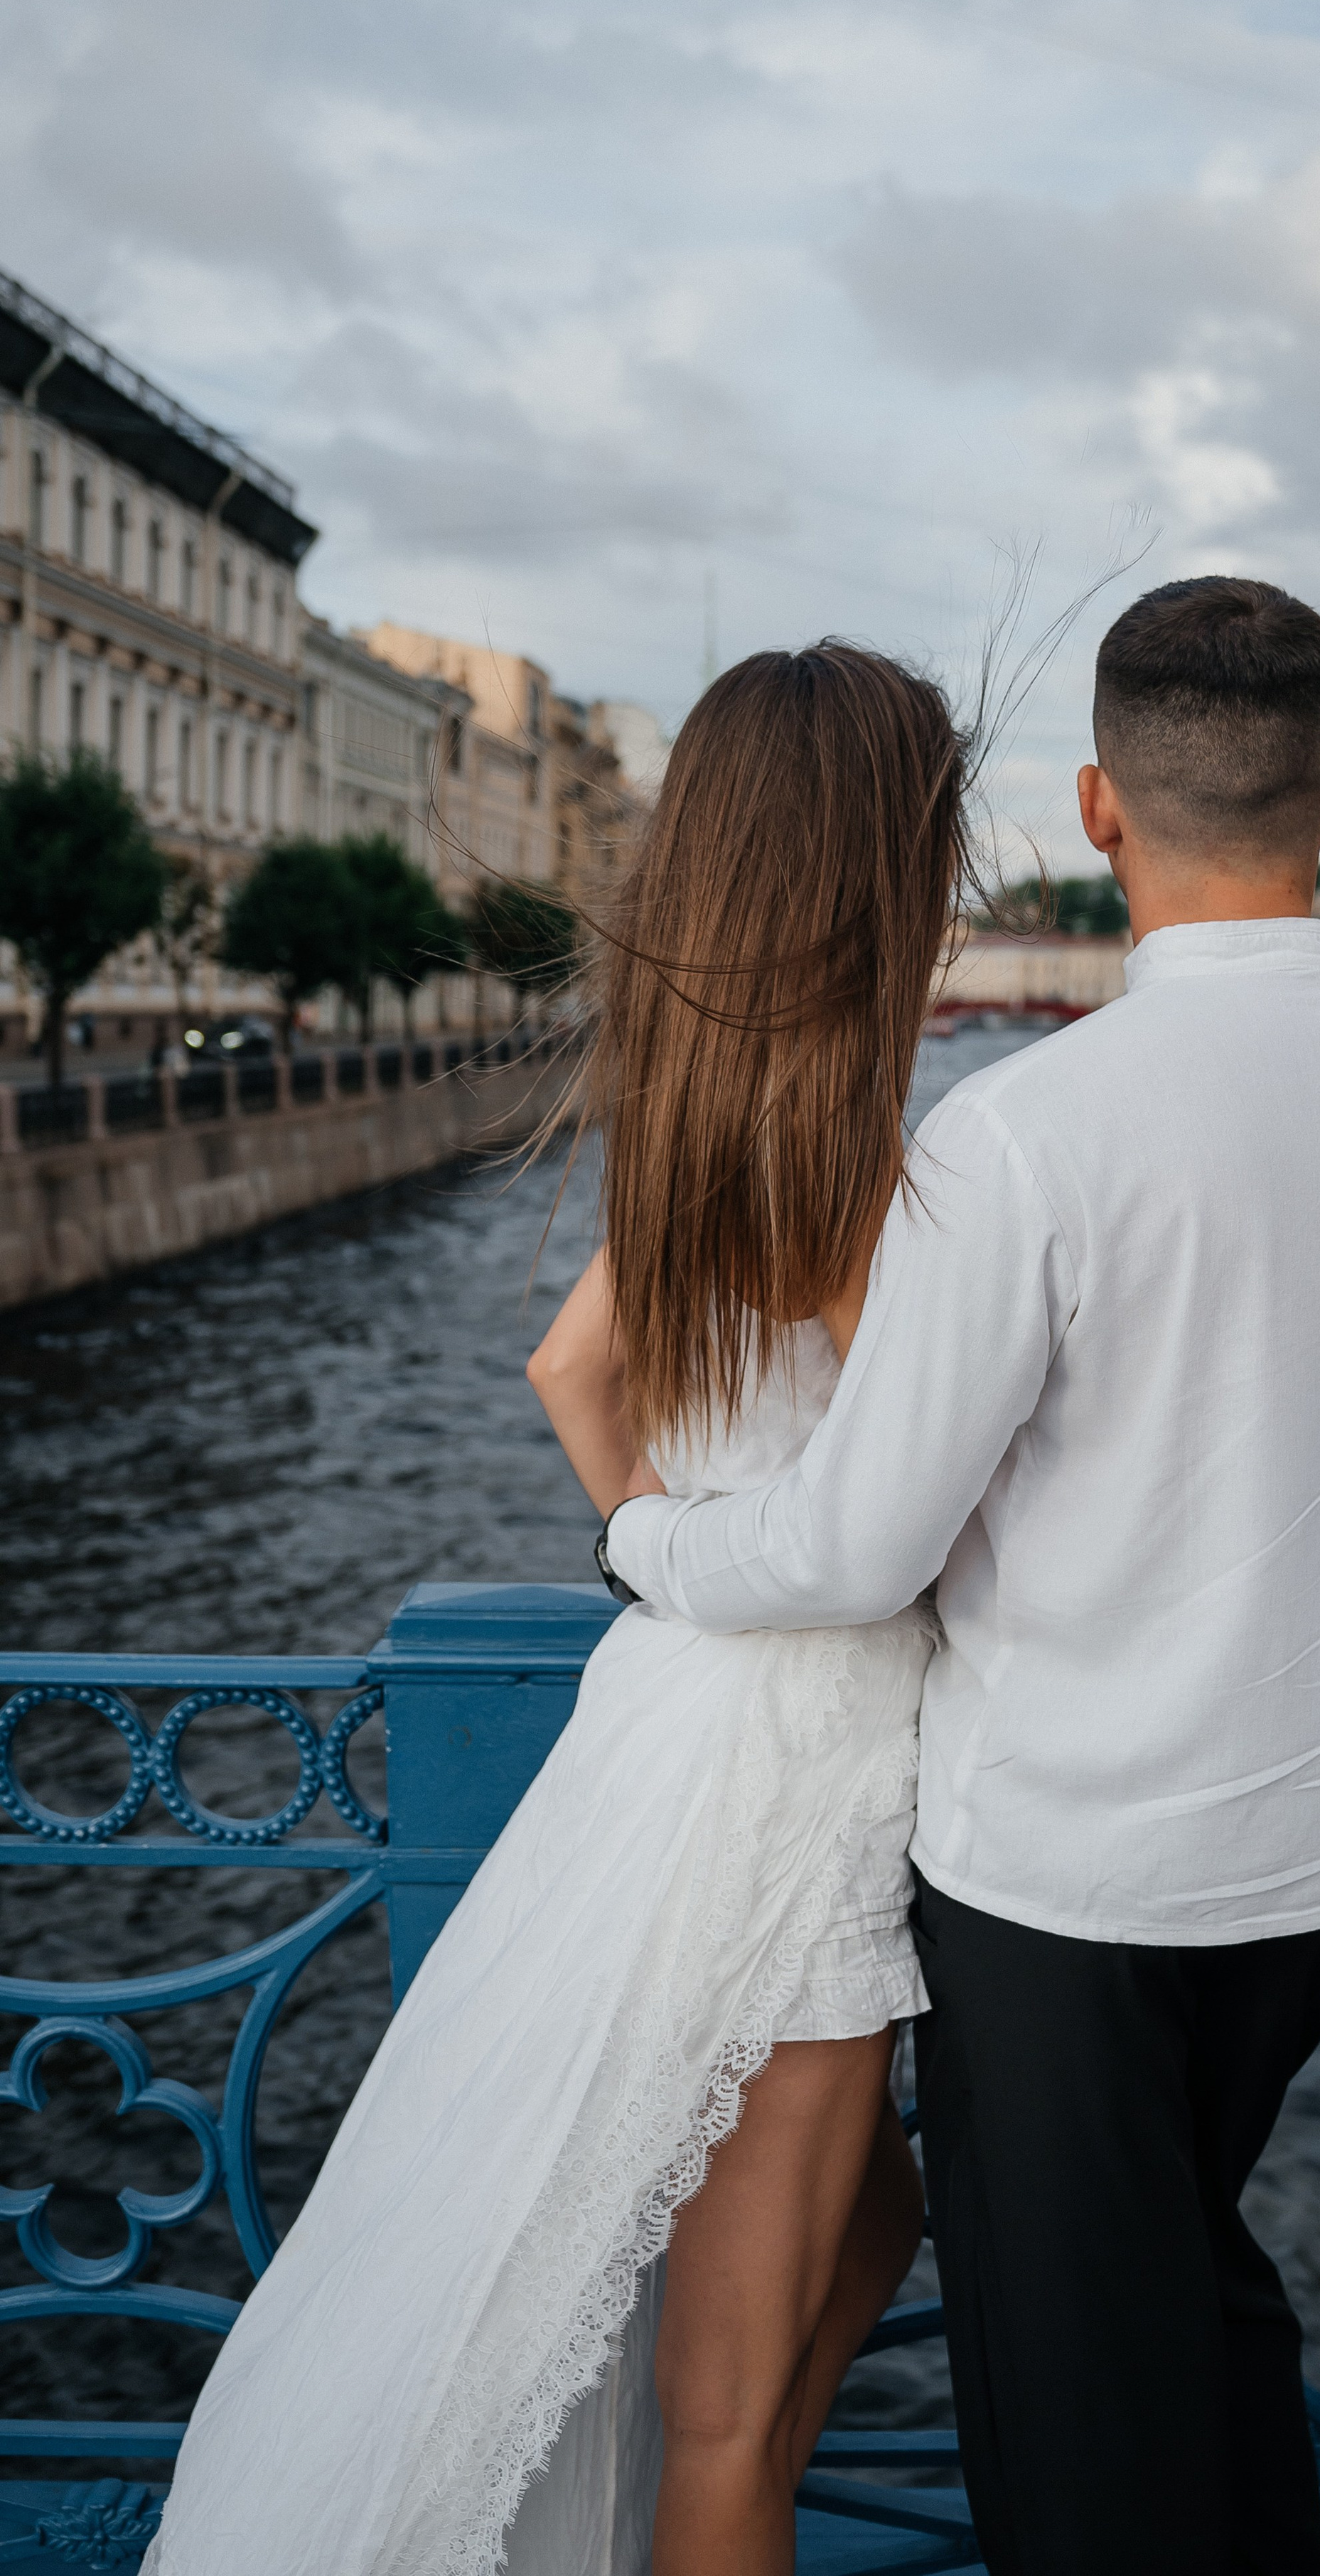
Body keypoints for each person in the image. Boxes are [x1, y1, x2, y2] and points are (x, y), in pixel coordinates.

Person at [603, 576, 1320, 2575]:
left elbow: (857, 1543)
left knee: (1073, 2420)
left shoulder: (1026, 1137)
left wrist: (642, 1536)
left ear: (1097, 808)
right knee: (1197, 2290)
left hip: (1061, 1883)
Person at [143, 643, 977, 2576]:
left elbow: (566, 1375)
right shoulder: (856, 1170)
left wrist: (650, 1549)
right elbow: (914, 1519)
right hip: (802, 1783)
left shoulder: (688, 1119)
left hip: (665, 1728)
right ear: (879, 875)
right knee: (733, 2418)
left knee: (842, 2242)